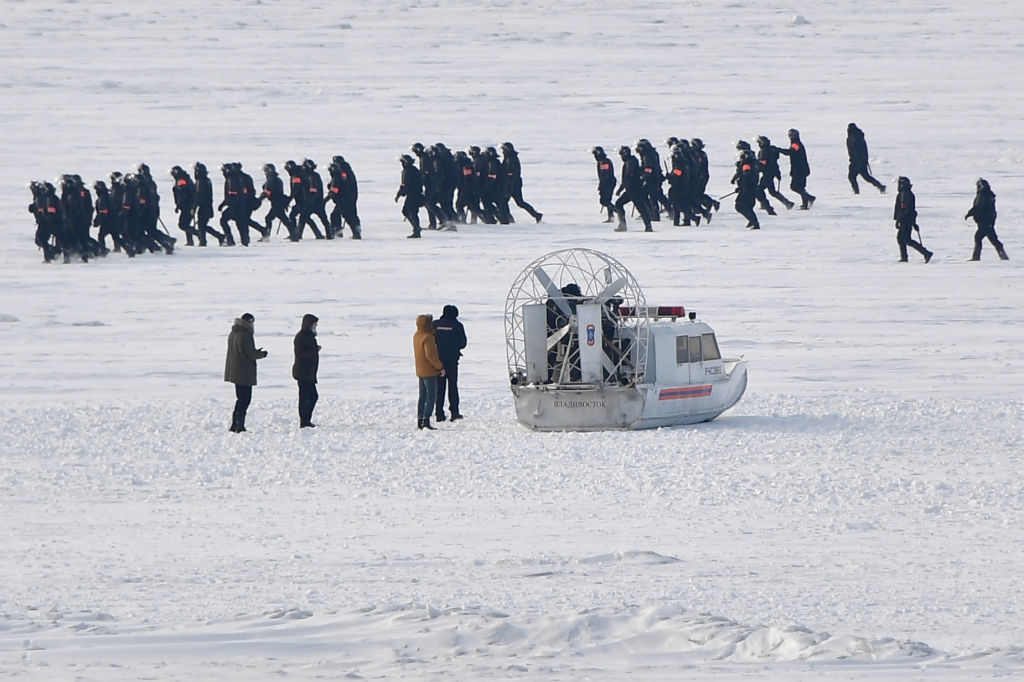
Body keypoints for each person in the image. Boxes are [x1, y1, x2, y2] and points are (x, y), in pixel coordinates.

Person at [224, 312, 268, 433]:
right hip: (244, 372)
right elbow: (250, 353)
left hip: (235, 370)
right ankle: (239, 425)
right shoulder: (245, 335)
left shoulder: (234, 332)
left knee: (240, 398)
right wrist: (262, 354)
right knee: (245, 399)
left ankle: (235, 424)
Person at [433, 305, 467, 422]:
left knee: (439, 388)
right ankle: (454, 412)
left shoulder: (435, 324)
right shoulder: (457, 326)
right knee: (452, 386)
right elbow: (463, 343)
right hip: (452, 361)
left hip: (437, 362)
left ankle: (439, 413)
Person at [413, 313, 445, 430]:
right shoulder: (428, 337)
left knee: (422, 396)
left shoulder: (417, 335)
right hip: (429, 371)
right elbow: (431, 356)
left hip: (420, 370)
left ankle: (420, 419)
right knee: (431, 396)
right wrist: (440, 367)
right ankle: (426, 420)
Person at [965, 178, 1008, 261]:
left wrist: (970, 213)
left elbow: (978, 206)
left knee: (987, 238)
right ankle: (1002, 256)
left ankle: (977, 257)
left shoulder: (982, 194)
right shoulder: (988, 194)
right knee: (982, 238)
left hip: (984, 221)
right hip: (987, 221)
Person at [893, 176, 932, 263]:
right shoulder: (907, 193)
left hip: (905, 220)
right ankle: (904, 257)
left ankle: (926, 253)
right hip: (908, 220)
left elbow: (904, 208)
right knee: (900, 238)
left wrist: (899, 220)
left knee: (906, 239)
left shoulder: (905, 193)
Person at [613, 145, 653, 232]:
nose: (621, 157)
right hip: (632, 188)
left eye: (622, 155)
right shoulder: (632, 160)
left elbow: (628, 176)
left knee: (639, 207)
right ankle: (647, 225)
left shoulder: (630, 162)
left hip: (633, 189)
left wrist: (620, 189)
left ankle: (624, 225)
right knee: (620, 204)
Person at [292, 313, 321, 428]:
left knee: (312, 396)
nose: (315, 327)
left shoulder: (309, 336)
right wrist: (315, 351)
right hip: (303, 372)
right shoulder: (301, 337)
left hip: (309, 372)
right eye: (314, 325)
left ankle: (306, 420)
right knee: (307, 397)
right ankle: (304, 421)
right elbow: (300, 354)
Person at [779, 128, 816, 209]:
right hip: (799, 169)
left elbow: (790, 152)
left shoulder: (796, 144)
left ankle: (809, 199)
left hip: (800, 170)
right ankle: (806, 202)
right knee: (799, 187)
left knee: (796, 187)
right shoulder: (796, 143)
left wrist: (779, 150)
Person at [846, 123, 886, 194]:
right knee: (866, 177)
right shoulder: (857, 136)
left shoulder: (855, 138)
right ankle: (880, 186)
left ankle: (856, 192)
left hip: (856, 161)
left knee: (851, 177)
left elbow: (857, 150)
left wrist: (856, 160)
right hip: (861, 161)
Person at [396, 154, 424, 237]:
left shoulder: (407, 171)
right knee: (408, 211)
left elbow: (405, 184)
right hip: (415, 194)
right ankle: (416, 228)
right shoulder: (413, 169)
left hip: (413, 195)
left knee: (411, 212)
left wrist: (399, 194)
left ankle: (417, 229)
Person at [592, 146, 617, 222]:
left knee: (604, 201)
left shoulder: (603, 162)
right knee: (607, 200)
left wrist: (601, 185)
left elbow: (604, 174)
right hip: (609, 182)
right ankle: (611, 217)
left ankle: (618, 211)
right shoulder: (603, 161)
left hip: (608, 182)